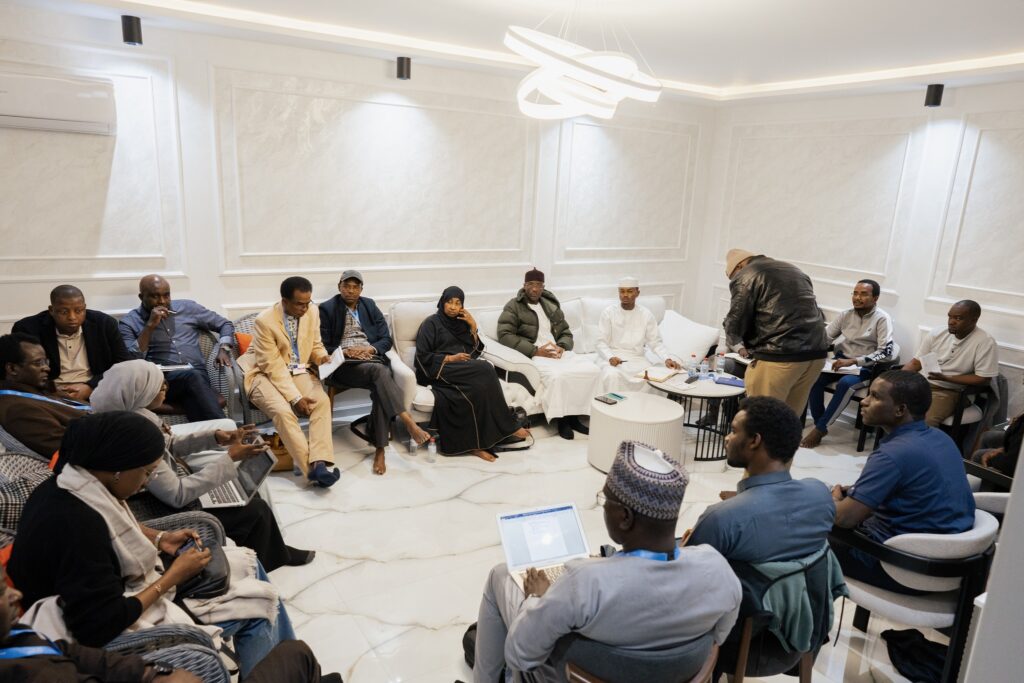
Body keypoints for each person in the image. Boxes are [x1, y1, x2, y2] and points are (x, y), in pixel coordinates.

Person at [8, 412, 296, 678]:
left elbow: (114, 529)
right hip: (105, 631)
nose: (146, 482)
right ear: (117, 469)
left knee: (249, 565)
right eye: (146, 472)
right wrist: (174, 576)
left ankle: (293, 671)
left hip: (110, 592)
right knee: (258, 604)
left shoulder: (70, 484)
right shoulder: (78, 526)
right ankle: (287, 670)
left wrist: (159, 537)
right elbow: (98, 625)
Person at [473, 441, 741, 682]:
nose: (602, 507)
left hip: (567, 675)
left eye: (605, 500)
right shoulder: (717, 570)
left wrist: (537, 599)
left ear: (625, 517)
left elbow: (521, 656)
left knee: (500, 575)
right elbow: (717, 638)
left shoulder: (585, 582)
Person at [90, 359, 315, 571]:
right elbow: (177, 496)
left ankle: (272, 551)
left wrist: (217, 437)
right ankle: (265, 563)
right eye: (159, 387)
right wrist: (229, 459)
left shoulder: (137, 413)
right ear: (139, 393)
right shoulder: (132, 435)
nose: (166, 388)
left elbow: (170, 444)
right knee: (255, 510)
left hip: (160, 495)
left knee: (248, 498)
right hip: (157, 508)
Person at [831, 371, 976, 594]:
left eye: (875, 397)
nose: (865, 401)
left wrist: (833, 500)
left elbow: (845, 519)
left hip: (904, 567)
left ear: (900, 410)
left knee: (803, 536)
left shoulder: (892, 454)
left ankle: (801, 626)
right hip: (947, 564)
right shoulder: (941, 438)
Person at [688, 396, 835, 563]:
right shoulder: (820, 493)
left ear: (754, 441)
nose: (727, 438)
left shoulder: (720, 518)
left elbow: (688, 575)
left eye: (734, 431)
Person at [319, 269, 429, 475]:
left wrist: (369, 349)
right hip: (343, 366)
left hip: (371, 359)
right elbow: (321, 345)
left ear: (361, 289)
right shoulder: (327, 309)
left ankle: (380, 449)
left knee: (380, 381)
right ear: (339, 287)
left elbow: (385, 339)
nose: (351, 291)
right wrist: (346, 351)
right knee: (381, 373)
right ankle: (407, 422)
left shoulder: (369, 305)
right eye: (346, 286)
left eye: (355, 287)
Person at [237, 277, 339, 487]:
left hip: (296, 369)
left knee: (321, 402)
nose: (305, 308)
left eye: (308, 302)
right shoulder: (265, 321)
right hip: (262, 373)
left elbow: (315, 344)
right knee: (283, 411)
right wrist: (295, 398)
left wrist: (321, 357)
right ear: (284, 301)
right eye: (299, 304)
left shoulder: (313, 311)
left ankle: (319, 462)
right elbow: (272, 366)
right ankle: (310, 471)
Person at [414, 286, 529, 462]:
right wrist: (451, 359)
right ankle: (508, 426)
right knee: (486, 368)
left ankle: (478, 444)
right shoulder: (430, 324)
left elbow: (474, 352)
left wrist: (473, 327)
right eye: (449, 302)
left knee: (478, 388)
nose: (453, 307)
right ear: (442, 302)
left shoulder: (461, 324)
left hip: (461, 369)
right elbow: (422, 356)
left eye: (457, 303)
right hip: (437, 369)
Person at [722, 249, 829, 414]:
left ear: (740, 265)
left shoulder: (747, 274)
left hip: (780, 355)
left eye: (732, 276)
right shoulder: (793, 270)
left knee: (762, 419)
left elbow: (736, 320)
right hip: (816, 353)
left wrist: (732, 334)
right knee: (788, 420)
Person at [497, 268, 597, 440]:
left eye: (538, 285)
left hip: (557, 351)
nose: (535, 289)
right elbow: (505, 335)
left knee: (591, 371)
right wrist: (535, 350)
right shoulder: (513, 306)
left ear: (543, 287)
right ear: (524, 286)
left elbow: (565, 332)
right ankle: (562, 420)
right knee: (558, 376)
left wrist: (562, 346)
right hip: (536, 353)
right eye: (531, 285)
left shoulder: (550, 305)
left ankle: (575, 417)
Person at [119, 274, 233, 422]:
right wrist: (149, 327)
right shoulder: (129, 322)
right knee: (192, 378)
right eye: (155, 297)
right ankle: (229, 431)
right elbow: (131, 361)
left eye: (166, 295)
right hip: (161, 381)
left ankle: (208, 440)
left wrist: (223, 348)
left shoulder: (188, 308)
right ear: (141, 297)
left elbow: (225, 324)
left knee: (192, 395)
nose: (162, 301)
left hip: (197, 376)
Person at [801, 279, 898, 448]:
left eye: (864, 294)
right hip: (840, 362)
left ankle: (819, 428)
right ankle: (820, 423)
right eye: (855, 293)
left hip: (865, 368)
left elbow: (885, 352)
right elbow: (824, 338)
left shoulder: (882, 319)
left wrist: (855, 361)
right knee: (813, 376)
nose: (857, 298)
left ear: (875, 298)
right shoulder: (845, 315)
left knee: (846, 384)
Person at [12, 284, 135, 401]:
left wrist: (91, 386)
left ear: (85, 308)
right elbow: (20, 370)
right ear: (51, 310)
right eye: (64, 312)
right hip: (47, 394)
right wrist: (52, 390)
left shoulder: (104, 324)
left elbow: (123, 364)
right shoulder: (27, 328)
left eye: (79, 310)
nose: (72, 317)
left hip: (98, 390)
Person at [902, 300, 999, 427]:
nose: (951, 321)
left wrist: (946, 378)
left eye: (958, 318)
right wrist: (897, 379)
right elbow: (915, 363)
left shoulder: (985, 342)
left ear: (974, 320)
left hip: (950, 391)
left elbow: (983, 379)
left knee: (925, 422)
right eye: (950, 316)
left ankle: (918, 446)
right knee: (892, 409)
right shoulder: (936, 333)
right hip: (922, 384)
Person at [0, 333, 92, 456]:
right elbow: (68, 448)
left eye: (46, 361)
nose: (47, 368)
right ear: (12, 369)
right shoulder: (17, 409)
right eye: (38, 363)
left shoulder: (39, 389)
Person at [594, 277, 681, 395]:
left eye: (629, 291)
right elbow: (600, 342)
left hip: (637, 358)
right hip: (612, 357)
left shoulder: (646, 314)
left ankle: (645, 411)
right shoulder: (609, 313)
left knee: (651, 377)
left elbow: (655, 342)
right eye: (622, 291)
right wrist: (610, 357)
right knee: (611, 375)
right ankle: (612, 411)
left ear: (637, 293)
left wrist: (666, 358)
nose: (625, 295)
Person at [971, 412, 1023, 478]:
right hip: (1019, 443)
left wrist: (995, 458)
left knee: (978, 456)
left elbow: (1011, 462)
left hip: (1017, 464)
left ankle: (987, 483)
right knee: (986, 437)